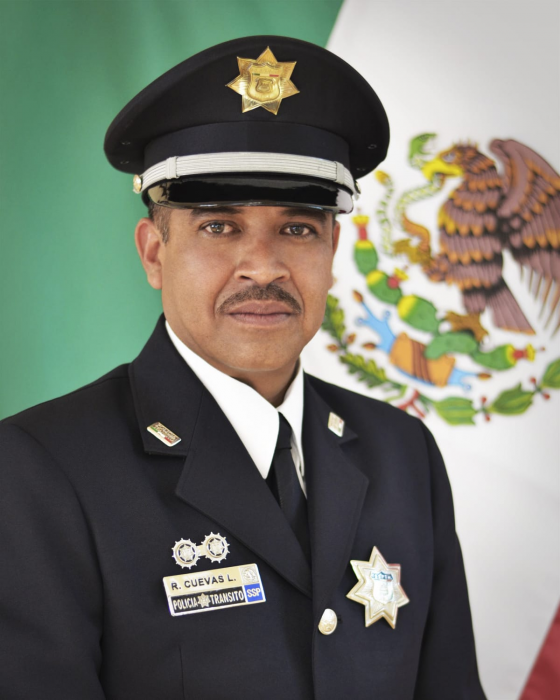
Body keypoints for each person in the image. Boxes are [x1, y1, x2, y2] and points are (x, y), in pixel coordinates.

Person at [0, 36, 487, 699]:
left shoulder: (403, 454)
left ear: (332, 249)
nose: (263, 267)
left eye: (298, 228)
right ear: (153, 252)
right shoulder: (42, 470)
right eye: (219, 226)